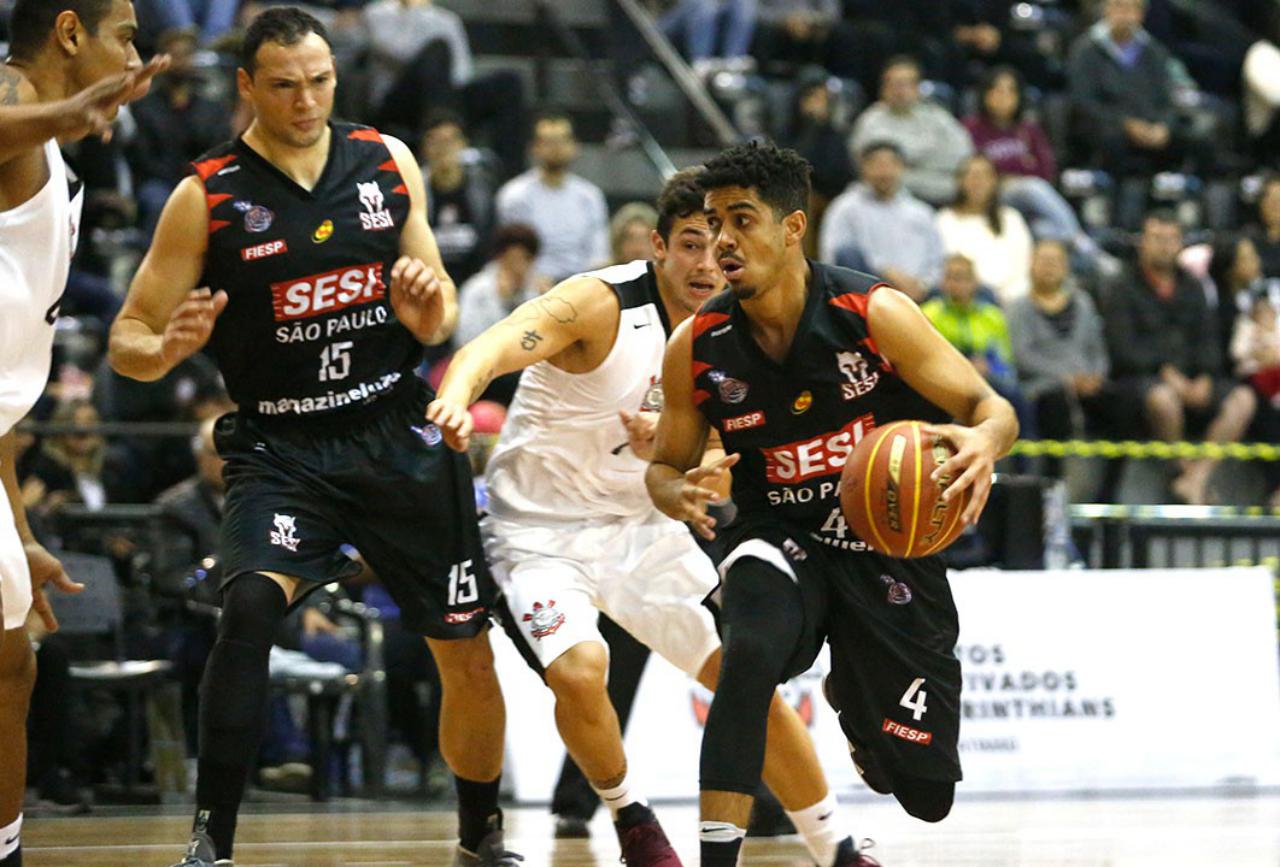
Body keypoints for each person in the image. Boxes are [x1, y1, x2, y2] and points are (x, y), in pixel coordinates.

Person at [105, 9, 518, 866]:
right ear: (247, 86)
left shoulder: (388, 162)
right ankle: (210, 843)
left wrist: (424, 306)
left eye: (320, 80)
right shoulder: (207, 195)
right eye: (285, 84)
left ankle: (481, 835)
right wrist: (167, 347)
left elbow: (438, 303)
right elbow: (127, 340)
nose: (306, 99)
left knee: (464, 646)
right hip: (282, 445)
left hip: (391, 428)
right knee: (248, 607)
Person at [429, 170, 863, 867]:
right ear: (657, 246)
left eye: (716, 243)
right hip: (537, 531)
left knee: (746, 674)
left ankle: (838, 847)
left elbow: (735, 437)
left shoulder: (732, 328)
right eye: (688, 243)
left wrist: (685, 454)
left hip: (643, 529)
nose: (703, 262)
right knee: (580, 669)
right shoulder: (599, 304)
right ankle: (632, 819)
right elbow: (495, 343)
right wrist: (454, 395)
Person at [645, 142, 1018, 867]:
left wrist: (984, 442)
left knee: (925, 789)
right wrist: (676, 491)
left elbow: (987, 404)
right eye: (714, 222)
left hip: (885, 541)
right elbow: (664, 465)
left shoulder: (873, 312)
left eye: (741, 221)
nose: (722, 240)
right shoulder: (697, 345)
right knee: (746, 656)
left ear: (793, 227)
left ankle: (858, 688)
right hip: (776, 535)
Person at [0, 3, 164, 864]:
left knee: (11, 667)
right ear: (71, 31)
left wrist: (22, 533)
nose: (132, 51)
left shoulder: (52, 151)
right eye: (124, 33)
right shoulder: (16, 96)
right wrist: (68, 110)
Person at [1102, 212, 1257, 505]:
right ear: (1142, 243)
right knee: (1163, 399)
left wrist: (1206, 377)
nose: (1164, 246)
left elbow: (1208, 339)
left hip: (1192, 379)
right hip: (1140, 383)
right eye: (1157, 238)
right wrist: (1165, 372)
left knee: (1243, 400)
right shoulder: (1122, 286)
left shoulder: (1193, 286)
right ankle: (1178, 468)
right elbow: (1122, 348)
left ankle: (1196, 477)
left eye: (1171, 239)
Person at [1007, 240, 1116, 476]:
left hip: (1088, 384)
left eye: (1055, 261)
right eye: (1043, 261)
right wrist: (1066, 379)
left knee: (1122, 404)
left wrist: (1095, 376)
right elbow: (1022, 356)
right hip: (1042, 387)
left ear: (1066, 267)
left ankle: (1108, 492)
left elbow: (1097, 349)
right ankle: (1052, 479)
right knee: (1055, 404)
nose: (1049, 267)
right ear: (1031, 265)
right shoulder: (1019, 308)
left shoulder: (1083, 303)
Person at [1067, 0, 1183, 178]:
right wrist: (1126, 125)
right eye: (1119, 6)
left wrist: (1164, 126)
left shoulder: (1154, 51)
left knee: (1197, 139)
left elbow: (1168, 99)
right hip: (1106, 128)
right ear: (1106, 9)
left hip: (1150, 126)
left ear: (1142, 14)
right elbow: (1084, 103)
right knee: (1113, 141)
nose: (1125, 14)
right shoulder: (1085, 50)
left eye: (1132, 7)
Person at [819, 141, 943, 301]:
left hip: (919, 293)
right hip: (867, 291)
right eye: (877, 165)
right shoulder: (845, 208)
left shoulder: (921, 212)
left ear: (902, 168)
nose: (885, 172)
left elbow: (936, 259)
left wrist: (923, 285)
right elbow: (832, 256)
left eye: (891, 164)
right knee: (847, 254)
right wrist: (887, 274)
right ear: (863, 168)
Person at [496, 111, 610, 283]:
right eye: (548, 142)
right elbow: (513, 254)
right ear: (534, 148)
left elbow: (599, 254)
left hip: (582, 284)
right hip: (532, 285)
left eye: (563, 140)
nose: (556, 148)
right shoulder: (514, 196)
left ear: (575, 146)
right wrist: (534, 281)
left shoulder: (590, 196)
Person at [849, 55, 973, 206]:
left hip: (941, 194)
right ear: (883, 88)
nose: (900, 90)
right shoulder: (870, 121)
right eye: (894, 84)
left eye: (906, 84)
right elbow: (868, 169)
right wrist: (928, 159)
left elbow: (962, 157)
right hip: (887, 198)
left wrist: (909, 164)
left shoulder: (939, 117)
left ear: (918, 88)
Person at [935, 155, 1033, 305]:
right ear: (960, 181)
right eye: (972, 175)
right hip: (960, 299)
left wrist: (1009, 298)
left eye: (984, 176)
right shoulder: (943, 220)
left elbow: (1024, 266)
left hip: (1010, 300)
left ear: (994, 182)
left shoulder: (1011, 218)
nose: (978, 182)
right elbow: (942, 268)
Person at [421, 111, 497, 287]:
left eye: (450, 141)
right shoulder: (415, 188)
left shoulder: (483, 188)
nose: (443, 149)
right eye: (435, 142)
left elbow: (491, 239)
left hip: (478, 283)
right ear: (425, 148)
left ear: (463, 144)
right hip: (430, 281)